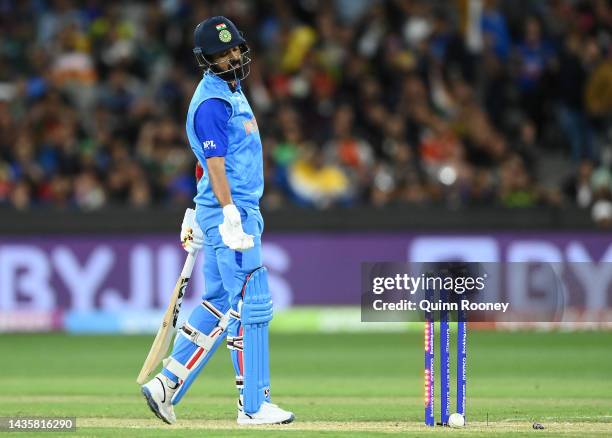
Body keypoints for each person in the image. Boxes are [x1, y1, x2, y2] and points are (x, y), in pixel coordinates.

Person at [141, 16, 294, 426]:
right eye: (221, 54)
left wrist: (198, 209)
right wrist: (226, 214)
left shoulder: (231, 91)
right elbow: (214, 163)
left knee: (222, 302)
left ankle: (166, 383)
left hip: (224, 208)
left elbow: (201, 166)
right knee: (250, 304)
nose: (231, 58)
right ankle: (253, 406)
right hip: (234, 211)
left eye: (234, 50)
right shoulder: (212, 102)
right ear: (205, 60)